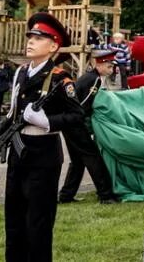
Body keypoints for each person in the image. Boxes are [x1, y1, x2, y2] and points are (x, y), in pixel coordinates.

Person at [0, 12, 84, 262]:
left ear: (53, 46)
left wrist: (48, 122)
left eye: (38, 38)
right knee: (14, 220)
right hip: (18, 153)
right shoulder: (21, 73)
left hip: (43, 154)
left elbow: (77, 115)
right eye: (30, 36)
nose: (30, 41)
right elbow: (14, 115)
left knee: (38, 223)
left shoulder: (60, 78)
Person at [58, 48, 119, 205]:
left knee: (78, 161)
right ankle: (106, 195)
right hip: (75, 123)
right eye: (109, 66)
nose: (111, 70)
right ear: (100, 64)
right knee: (93, 157)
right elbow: (82, 105)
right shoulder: (95, 80)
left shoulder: (90, 77)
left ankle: (66, 196)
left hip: (68, 122)